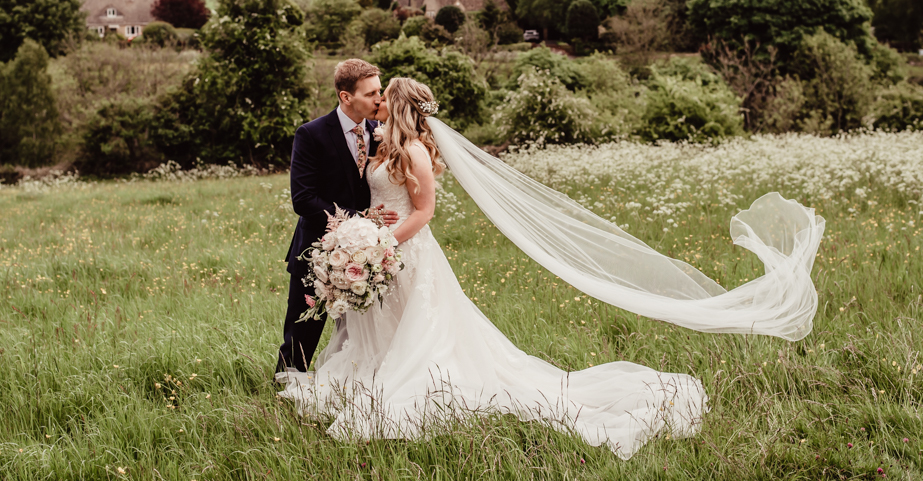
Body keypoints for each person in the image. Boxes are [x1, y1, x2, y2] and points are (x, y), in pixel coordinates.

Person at [277, 77, 824, 459]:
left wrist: (380, 240)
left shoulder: (416, 151)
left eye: (381, 98)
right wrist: (369, 227)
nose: (375, 104)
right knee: (379, 330)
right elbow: (384, 199)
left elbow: (425, 211)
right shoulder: (383, 147)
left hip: (407, 255)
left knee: (426, 336)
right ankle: (368, 380)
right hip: (385, 251)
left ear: (394, 106)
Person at [275, 59, 397, 376]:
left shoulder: (381, 132)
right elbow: (303, 199)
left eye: (379, 92)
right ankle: (286, 391)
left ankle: (347, 388)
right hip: (316, 251)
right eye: (371, 94)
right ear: (346, 97)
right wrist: (360, 220)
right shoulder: (311, 134)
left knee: (359, 333)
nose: (379, 100)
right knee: (302, 331)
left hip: (367, 257)